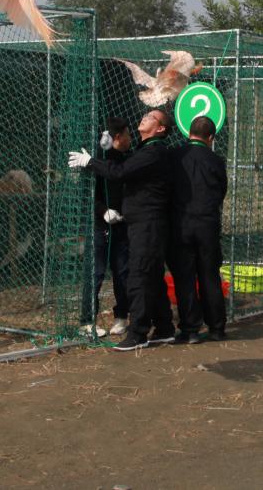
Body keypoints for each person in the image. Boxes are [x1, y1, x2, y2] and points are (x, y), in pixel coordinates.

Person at [69, 109, 176, 351]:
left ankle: (138, 333)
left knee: (137, 277)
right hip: (144, 223)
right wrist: (104, 152)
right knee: (152, 277)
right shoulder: (146, 150)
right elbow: (122, 163)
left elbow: (120, 171)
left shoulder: (154, 152)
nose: (144, 118)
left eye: (151, 117)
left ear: (160, 128)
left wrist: (91, 162)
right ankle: (165, 328)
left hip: (147, 224)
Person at [171, 116, 229, 343]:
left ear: (189, 132)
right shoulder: (216, 161)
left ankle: (189, 330)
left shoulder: (175, 156)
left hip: (181, 224)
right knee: (209, 276)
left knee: (184, 277)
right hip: (207, 225)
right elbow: (221, 191)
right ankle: (216, 328)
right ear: (211, 138)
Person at [78, 117, 132, 337]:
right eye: (127, 134)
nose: (131, 138)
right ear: (117, 137)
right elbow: (90, 195)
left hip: (121, 224)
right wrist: (103, 211)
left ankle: (122, 317)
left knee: (122, 271)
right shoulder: (99, 161)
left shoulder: (127, 160)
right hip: (101, 225)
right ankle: (86, 321)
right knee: (97, 271)